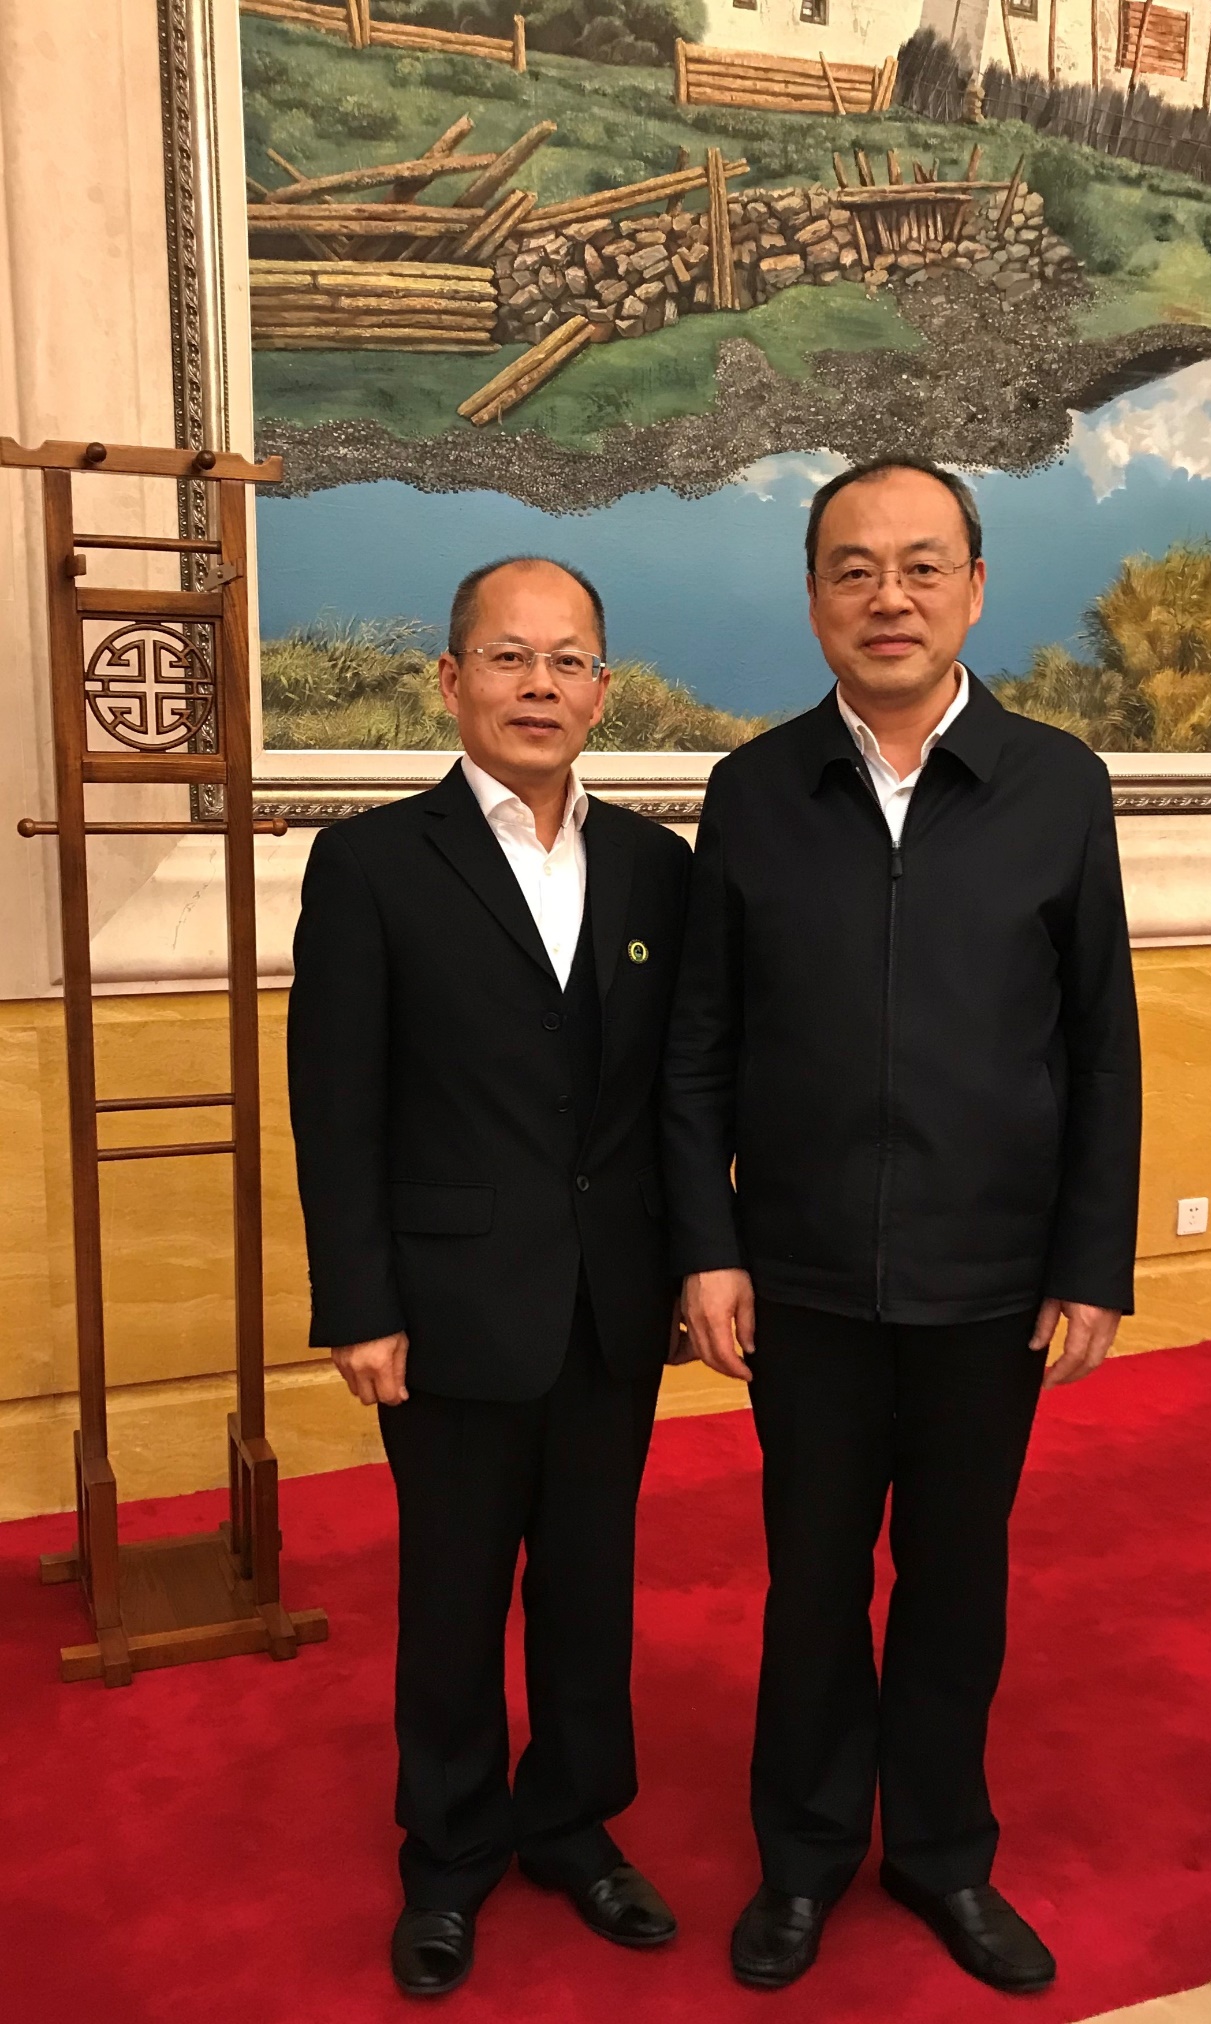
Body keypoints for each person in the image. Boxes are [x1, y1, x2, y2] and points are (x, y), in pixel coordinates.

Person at [663, 457, 1141, 1994]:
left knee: (954, 1583)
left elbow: (1102, 1046)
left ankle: (941, 1855)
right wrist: (707, 1245)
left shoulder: (1057, 784)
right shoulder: (752, 794)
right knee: (812, 1587)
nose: (890, 596)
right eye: (854, 568)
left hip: (989, 1281)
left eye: (923, 566)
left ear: (975, 590)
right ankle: (803, 1858)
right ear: (814, 599)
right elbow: (699, 1051)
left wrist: (1091, 1261)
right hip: (799, 1280)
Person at [289, 557, 692, 1999]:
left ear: (603, 689)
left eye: (568, 660)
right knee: (454, 1595)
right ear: (450, 680)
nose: (540, 685)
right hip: (449, 1305)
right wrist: (359, 1303)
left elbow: (676, 1092)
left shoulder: (655, 866)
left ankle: (574, 1825)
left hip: (611, 1303)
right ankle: (451, 1853)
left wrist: (693, 1264)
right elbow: (336, 1104)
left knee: (590, 1585)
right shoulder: (372, 864)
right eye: (509, 657)